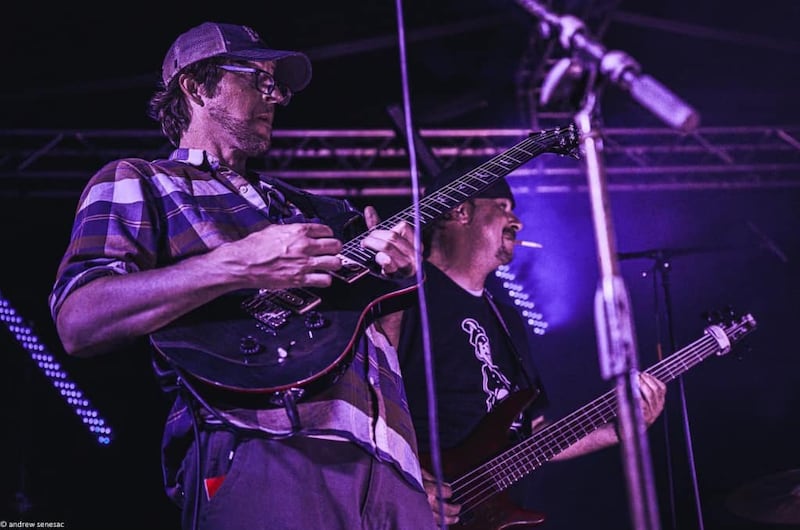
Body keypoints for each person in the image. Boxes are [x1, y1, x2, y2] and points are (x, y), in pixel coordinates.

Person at [48, 21, 437, 530]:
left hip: (393, 470)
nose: (274, 97)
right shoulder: (142, 180)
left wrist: (393, 284)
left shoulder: (313, 207)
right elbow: (79, 320)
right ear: (196, 87)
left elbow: (368, 335)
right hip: (269, 447)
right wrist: (236, 264)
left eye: (277, 86)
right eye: (258, 79)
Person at [396, 173, 668, 527]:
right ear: (461, 211)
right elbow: (366, 403)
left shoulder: (506, 318)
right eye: (502, 207)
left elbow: (533, 434)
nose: (517, 221)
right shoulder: (403, 297)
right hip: (410, 508)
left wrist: (617, 430)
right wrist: (403, 483)